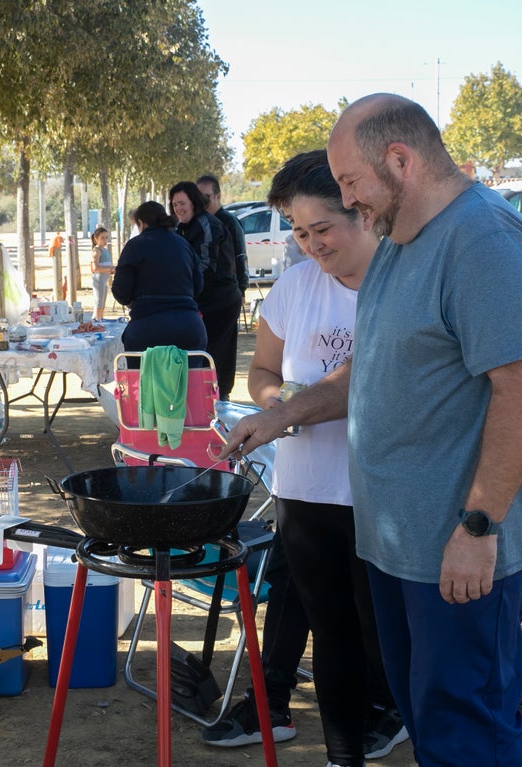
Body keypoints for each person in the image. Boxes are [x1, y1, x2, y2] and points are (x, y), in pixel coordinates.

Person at [220, 93, 522, 766]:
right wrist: (280, 414)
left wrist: (479, 525)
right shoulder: (405, 245)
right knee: (427, 717)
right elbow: (365, 371)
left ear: (399, 161)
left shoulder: (484, 242)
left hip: (459, 551)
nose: (350, 201)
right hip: (401, 544)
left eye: (350, 184)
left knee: (468, 727)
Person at [202, 152, 406, 763]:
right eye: (298, 230)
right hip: (306, 490)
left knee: (383, 636)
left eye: (323, 230)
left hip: (383, 494)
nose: (311, 245)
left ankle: (392, 716)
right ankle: (342, 755)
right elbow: (263, 371)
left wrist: (284, 413)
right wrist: (273, 401)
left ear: (364, 213)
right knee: (333, 636)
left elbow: (363, 378)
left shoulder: (402, 282)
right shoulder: (295, 286)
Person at [169, 180, 242, 399]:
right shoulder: (182, 227)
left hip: (220, 302)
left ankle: (218, 406)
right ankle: (205, 405)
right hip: (202, 302)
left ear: (194, 202)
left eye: (182, 203)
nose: (178, 209)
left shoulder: (206, 224)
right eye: (174, 205)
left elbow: (205, 265)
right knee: (203, 357)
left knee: (215, 357)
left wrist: (181, 289)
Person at [111, 201, 207, 354]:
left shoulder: (134, 245)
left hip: (146, 328)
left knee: (143, 378)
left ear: (141, 223)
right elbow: (198, 286)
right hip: (189, 328)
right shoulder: (184, 244)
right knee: (188, 378)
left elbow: (121, 292)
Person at [196, 174, 250, 295]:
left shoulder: (230, 222)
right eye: (198, 197)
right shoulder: (197, 222)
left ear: (218, 196)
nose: (202, 201)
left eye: (206, 196)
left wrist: (242, 288)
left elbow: (240, 255)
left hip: (225, 292)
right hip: (203, 292)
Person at [88, 226, 114, 321]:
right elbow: (95, 268)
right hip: (98, 279)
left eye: (106, 237)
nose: (105, 240)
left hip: (104, 280)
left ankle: (101, 318)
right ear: (96, 239)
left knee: (102, 302)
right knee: (99, 302)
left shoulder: (105, 250)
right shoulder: (97, 250)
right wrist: (110, 268)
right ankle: (97, 320)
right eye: (102, 238)